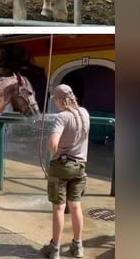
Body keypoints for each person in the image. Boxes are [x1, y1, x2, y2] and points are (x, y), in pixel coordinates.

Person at [41, 83, 91, 259]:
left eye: (55, 100)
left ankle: (54, 249)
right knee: (76, 206)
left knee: (58, 209)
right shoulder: (84, 113)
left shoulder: (62, 117)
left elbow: (53, 144)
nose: (55, 103)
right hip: (80, 168)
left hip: (61, 168)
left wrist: (56, 152)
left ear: (61, 100)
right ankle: (77, 247)